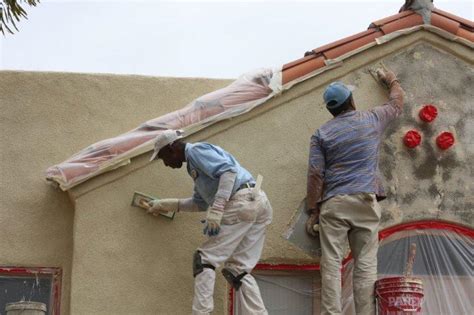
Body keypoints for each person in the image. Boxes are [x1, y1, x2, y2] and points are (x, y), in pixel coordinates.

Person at [305, 69, 404, 314]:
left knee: (331, 264)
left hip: (334, 204)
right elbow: (397, 102)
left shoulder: (321, 134)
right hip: (364, 200)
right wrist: (390, 79)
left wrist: (313, 211)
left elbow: (316, 173)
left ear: (330, 109)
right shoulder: (371, 119)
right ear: (351, 101)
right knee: (366, 265)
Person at [146, 130, 273, 315]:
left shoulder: (195, 151)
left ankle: (202, 312)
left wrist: (218, 207)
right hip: (256, 201)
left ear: (172, 148)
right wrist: (165, 204)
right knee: (237, 271)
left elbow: (228, 172)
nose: (165, 164)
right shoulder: (195, 168)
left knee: (204, 260)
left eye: (163, 157)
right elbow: (199, 203)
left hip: (240, 201)